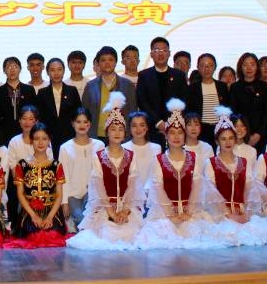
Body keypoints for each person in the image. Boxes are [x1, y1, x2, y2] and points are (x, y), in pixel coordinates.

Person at [66, 93, 144, 250]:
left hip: (126, 207)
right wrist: (111, 212)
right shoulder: (99, 156)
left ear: (125, 133)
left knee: (133, 234)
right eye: (113, 129)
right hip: (105, 207)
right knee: (107, 234)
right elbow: (99, 187)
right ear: (107, 132)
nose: (117, 133)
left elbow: (132, 186)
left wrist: (125, 210)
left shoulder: (131, 155)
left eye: (120, 129)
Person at [142, 99, 206, 246]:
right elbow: (158, 189)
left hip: (189, 212)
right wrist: (171, 215)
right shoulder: (158, 160)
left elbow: (197, 187)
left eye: (180, 133)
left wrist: (188, 212)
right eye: (172, 133)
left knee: (195, 237)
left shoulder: (194, 158)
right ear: (166, 136)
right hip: (165, 213)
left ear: (184, 135)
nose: (176, 137)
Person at [13, 123, 66, 247]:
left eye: (44, 138)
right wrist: (33, 215)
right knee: (35, 235)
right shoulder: (22, 165)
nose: (40, 142)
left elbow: (59, 195)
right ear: (31, 140)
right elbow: (20, 194)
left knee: (51, 235)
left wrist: (50, 217)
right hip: (29, 211)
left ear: (49, 140)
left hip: (51, 211)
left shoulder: (56, 165)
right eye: (36, 138)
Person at [136, 37, 189, 145]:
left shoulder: (178, 75)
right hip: (151, 128)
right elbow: (142, 102)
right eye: (156, 50)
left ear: (169, 53)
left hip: (175, 128)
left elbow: (184, 100)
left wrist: (173, 121)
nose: (160, 53)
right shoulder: (144, 75)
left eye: (164, 50)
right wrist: (158, 122)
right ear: (151, 54)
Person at [58, 108, 104, 233]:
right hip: (73, 195)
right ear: (73, 123)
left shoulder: (99, 145)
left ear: (90, 124)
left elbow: (101, 174)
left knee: (91, 221)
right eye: (78, 122)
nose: (82, 125)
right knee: (81, 220)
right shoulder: (65, 148)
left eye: (85, 121)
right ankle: (73, 223)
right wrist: (64, 202)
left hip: (92, 193)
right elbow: (63, 177)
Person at [82, 47, 136, 142]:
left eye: (111, 60)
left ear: (116, 62)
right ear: (98, 63)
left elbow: (133, 112)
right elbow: (85, 113)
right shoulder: (90, 86)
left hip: (121, 137)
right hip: (96, 138)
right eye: (103, 60)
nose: (107, 63)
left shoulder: (128, 85)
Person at [36, 58, 82, 151]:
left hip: (70, 136)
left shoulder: (72, 90)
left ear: (64, 71)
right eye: (52, 70)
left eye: (59, 69)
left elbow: (78, 114)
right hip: (49, 137)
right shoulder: (42, 93)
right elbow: (40, 117)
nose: (56, 73)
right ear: (47, 72)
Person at [0, 56, 37, 147]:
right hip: (5, 133)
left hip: (26, 131)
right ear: (4, 70)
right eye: (8, 67)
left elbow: (34, 113)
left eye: (15, 67)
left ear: (20, 69)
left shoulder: (29, 90)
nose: (12, 70)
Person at [230, 53, 267, 153]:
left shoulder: (264, 86)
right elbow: (233, 113)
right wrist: (243, 133)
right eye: (245, 65)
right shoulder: (235, 87)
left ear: (257, 67)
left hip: (261, 135)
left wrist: (258, 134)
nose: (249, 68)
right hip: (240, 135)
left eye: (252, 64)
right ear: (240, 67)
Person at [186, 53, 228, 144]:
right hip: (201, 129)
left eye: (210, 65)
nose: (206, 69)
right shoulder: (192, 88)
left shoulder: (222, 87)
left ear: (215, 67)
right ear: (198, 67)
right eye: (203, 66)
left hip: (219, 128)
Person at [122, 110, 160, 211]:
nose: (138, 129)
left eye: (142, 125)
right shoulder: (124, 148)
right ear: (129, 128)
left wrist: (145, 194)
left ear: (147, 127)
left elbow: (154, 175)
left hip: (150, 197)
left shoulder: (156, 148)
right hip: (129, 197)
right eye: (134, 125)